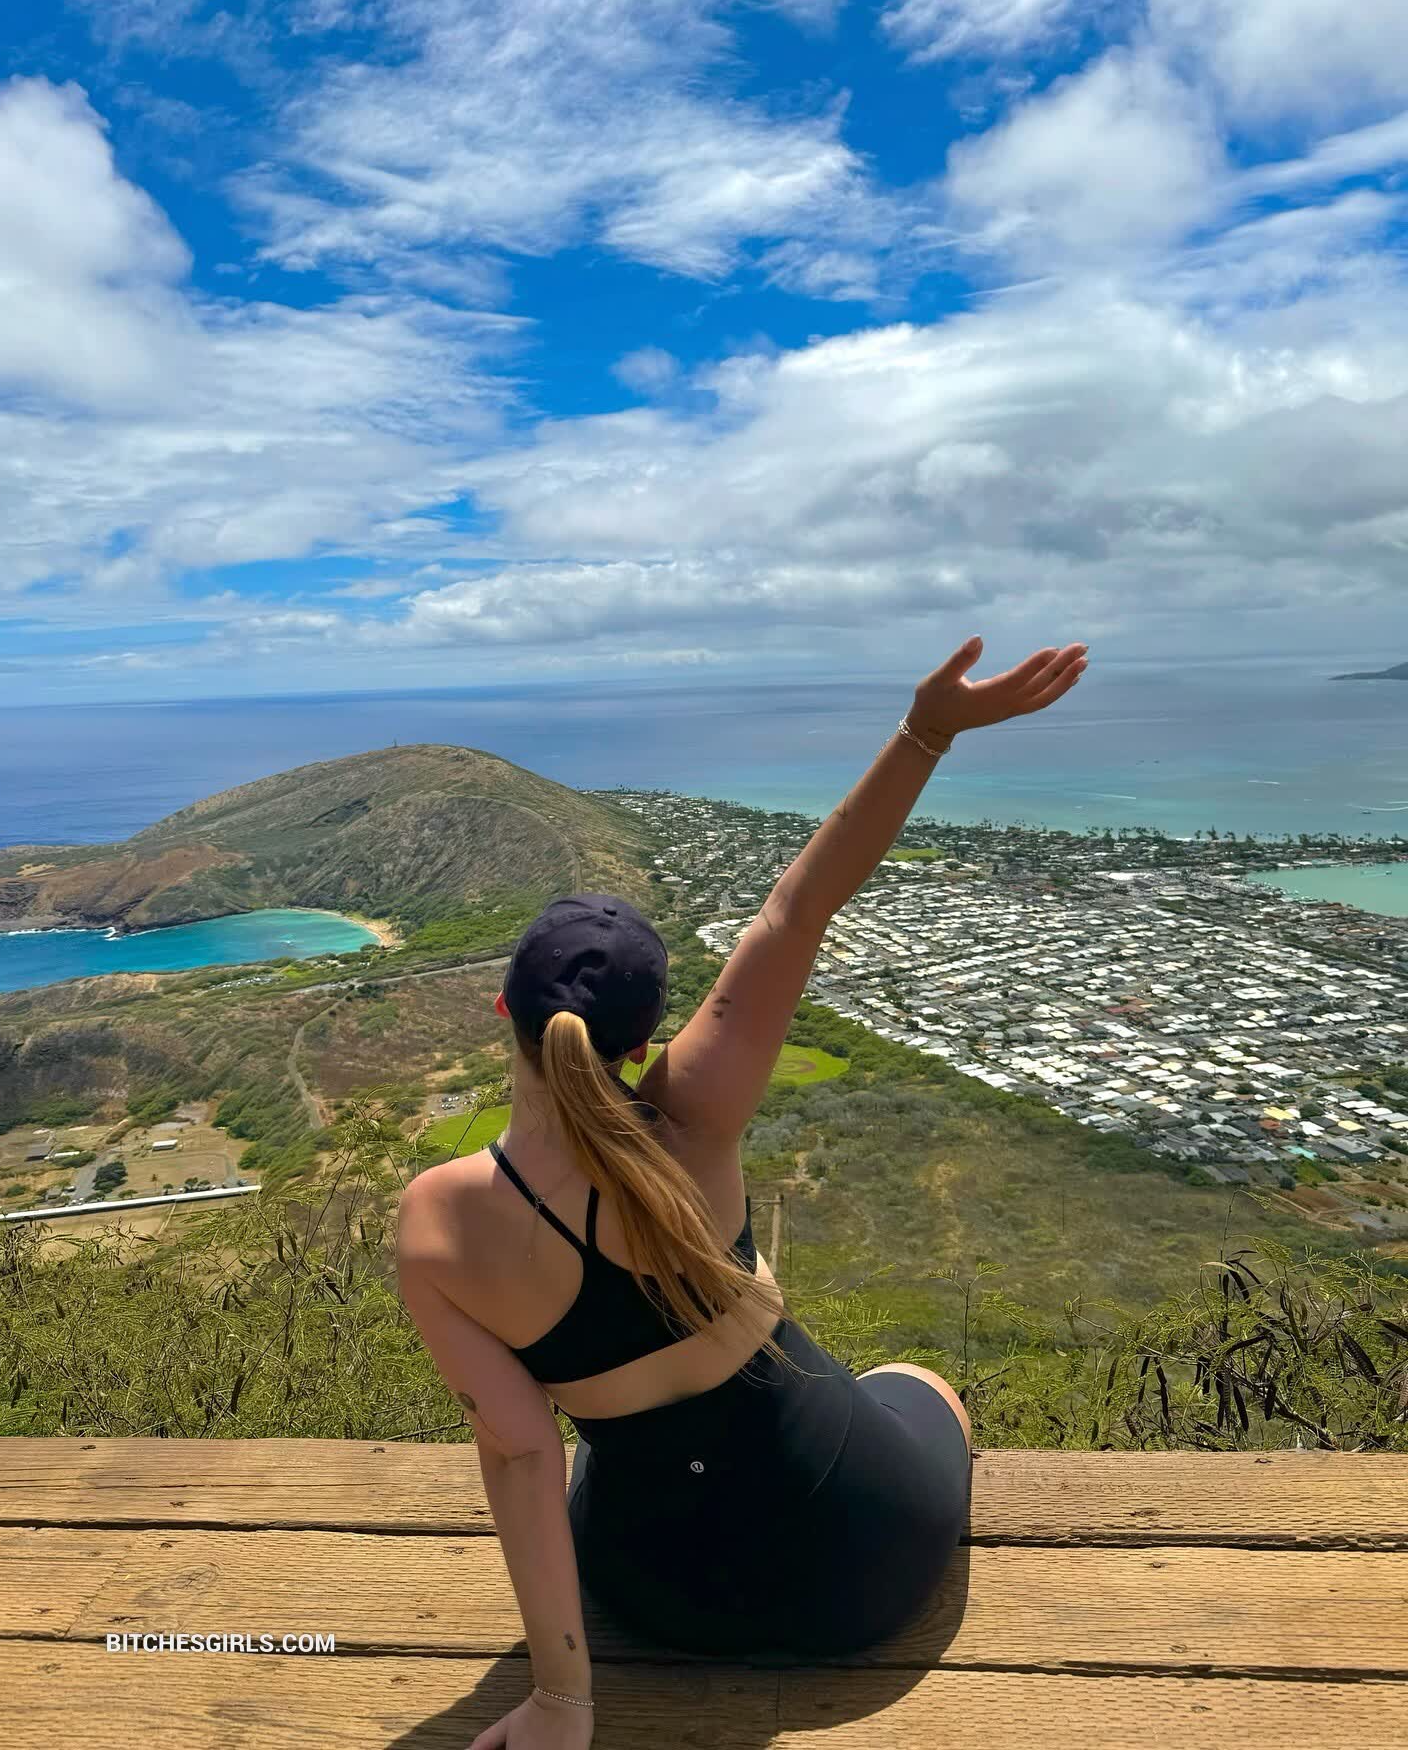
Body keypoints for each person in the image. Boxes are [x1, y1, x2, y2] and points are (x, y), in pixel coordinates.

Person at [396, 634, 1089, 1749]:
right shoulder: (690, 1117)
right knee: (918, 1381)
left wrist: (563, 1702)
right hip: (864, 1570)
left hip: (655, 1596)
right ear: (640, 1041)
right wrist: (927, 732)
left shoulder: (437, 1221)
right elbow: (794, 911)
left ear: (502, 1012)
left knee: (590, 1447)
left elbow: (521, 1454)